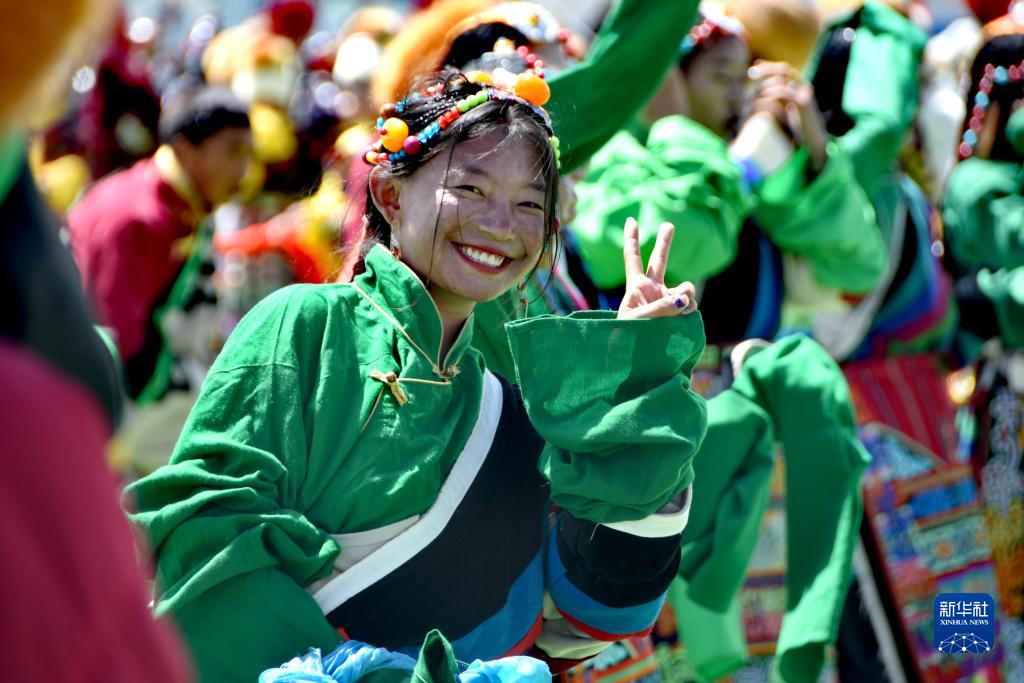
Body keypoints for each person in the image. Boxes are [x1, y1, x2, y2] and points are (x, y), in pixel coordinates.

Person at [126, 70, 708, 683]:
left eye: (530, 204)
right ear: (389, 195)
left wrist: (633, 395)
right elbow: (209, 538)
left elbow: (590, 614)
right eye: (471, 189)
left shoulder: (509, 409)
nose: (501, 225)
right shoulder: (306, 325)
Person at [68, 86, 252, 400]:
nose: (243, 170)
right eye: (233, 151)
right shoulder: (134, 217)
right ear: (184, 150)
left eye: (248, 154)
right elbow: (113, 346)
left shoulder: (188, 206)